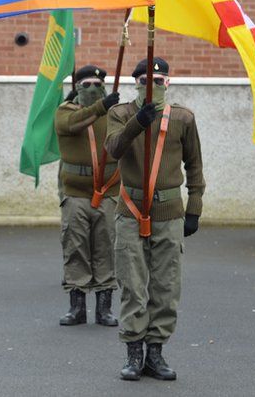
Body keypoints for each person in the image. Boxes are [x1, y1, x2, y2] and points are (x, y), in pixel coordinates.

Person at [105, 57, 205, 381]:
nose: (153, 86)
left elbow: (195, 167)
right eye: (146, 81)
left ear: (168, 83)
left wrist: (194, 209)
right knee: (132, 284)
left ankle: (156, 353)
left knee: (166, 285)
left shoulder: (182, 118)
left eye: (159, 81)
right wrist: (138, 122)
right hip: (131, 210)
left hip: (169, 212)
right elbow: (113, 149)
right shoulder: (119, 113)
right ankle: (134, 354)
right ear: (135, 83)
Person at [54, 64, 121, 327]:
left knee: (106, 247)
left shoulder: (113, 114)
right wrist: (101, 107)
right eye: (87, 85)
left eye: (97, 85)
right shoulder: (65, 112)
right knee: (76, 247)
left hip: (107, 193)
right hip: (76, 194)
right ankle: (77, 306)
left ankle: (104, 308)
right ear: (76, 88)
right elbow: (73, 125)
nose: (93, 89)